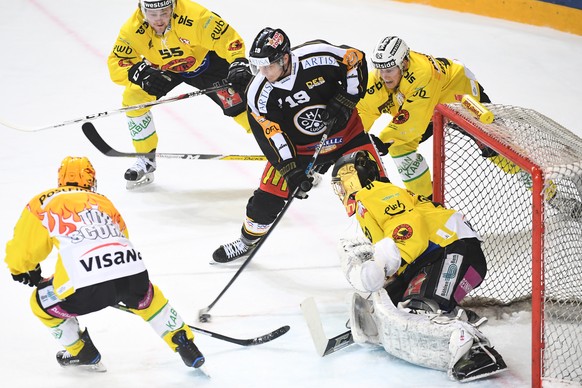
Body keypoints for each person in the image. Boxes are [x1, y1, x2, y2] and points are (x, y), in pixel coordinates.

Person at [4, 156, 204, 371]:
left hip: (84, 289)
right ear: (91, 180)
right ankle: (183, 341)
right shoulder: (103, 201)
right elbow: (121, 237)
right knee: (148, 297)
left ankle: (81, 351)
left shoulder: (43, 201)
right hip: (131, 275)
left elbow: (24, 250)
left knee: (40, 303)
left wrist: (24, 271)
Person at [211, 27, 387, 263]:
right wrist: (290, 170)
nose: (263, 72)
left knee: (375, 191)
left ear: (284, 59)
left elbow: (354, 59)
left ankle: (389, 245)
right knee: (266, 201)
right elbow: (272, 135)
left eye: (268, 66)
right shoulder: (258, 92)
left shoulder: (317, 56)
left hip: (347, 136)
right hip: (299, 150)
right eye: (259, 66)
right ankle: (247, 241)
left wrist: (347, 97)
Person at [331, 150, 507, 382]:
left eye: (341, 185)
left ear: (352, 177)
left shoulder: (372, 193)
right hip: (441, 257)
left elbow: (406, 228)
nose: (341, 192)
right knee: (389, 302)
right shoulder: (372, 200)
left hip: (452, 249)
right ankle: (451, 313)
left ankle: (477, 352)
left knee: (418, 309)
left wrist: (383, 265)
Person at [108, 0, 253, 189]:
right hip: (165, 70)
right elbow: (117, 61)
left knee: (241, 108)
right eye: (153, 14)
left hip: (208, 64)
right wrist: (140, 73)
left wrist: (238, 62)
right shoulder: (132, 29)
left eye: (164, 12)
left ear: (174, 6)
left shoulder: (196, 17)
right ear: (141, 10)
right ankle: (146, 158)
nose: (159, 19)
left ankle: (282, 151)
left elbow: (228, 39)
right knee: (134, 99)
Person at [357, 36, 505, 198]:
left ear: (404, 63)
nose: (384, 76)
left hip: (458, 98)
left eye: (390, 70)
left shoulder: (423, 73)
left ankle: (531, 182)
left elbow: (414, 119)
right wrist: (349, 139)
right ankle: (428, 200)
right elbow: (363, 110)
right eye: (381, 69)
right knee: (400, 147)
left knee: (497, 147)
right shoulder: (381, 78)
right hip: (426, 109)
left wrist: (383, 140)